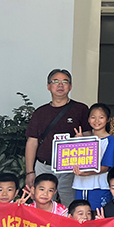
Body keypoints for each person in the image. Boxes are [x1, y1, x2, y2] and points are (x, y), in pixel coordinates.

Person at [24, 68, 90, 206]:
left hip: (70, 168)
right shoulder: (40, 112)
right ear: (48, 86)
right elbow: (32, 142)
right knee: (42, 205)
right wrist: (30, 172)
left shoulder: (80, 109)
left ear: (70, 86)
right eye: (55, 81)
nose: (60, 85)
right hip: (44, 165)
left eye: (65, 82)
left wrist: (81, 142)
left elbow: (88, 137)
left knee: (72, 206)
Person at [72, 103, 114, 209]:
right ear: (88, 120)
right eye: (93, 117)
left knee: (98, 215)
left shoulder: (110, 140)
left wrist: (85, 173)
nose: (97, 121)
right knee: (81, 214)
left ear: (108, 119)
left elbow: (105, 167)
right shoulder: (83, 139)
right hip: (81, 185)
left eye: (101, 117)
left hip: (100, 186)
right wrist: (78, 142)